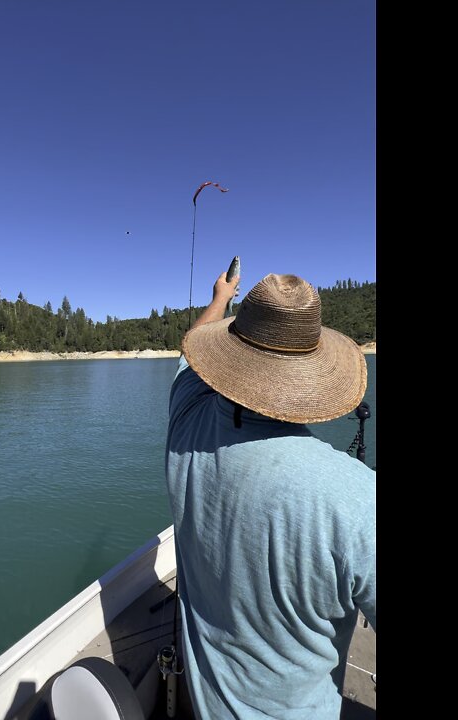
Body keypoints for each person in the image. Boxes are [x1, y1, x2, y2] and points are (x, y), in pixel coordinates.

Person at [165, 270, 377, 719]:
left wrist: (220, 298)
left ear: (229, 352)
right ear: (311, 371)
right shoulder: (356, 496)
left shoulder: (185, 415)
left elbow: (192, 350)